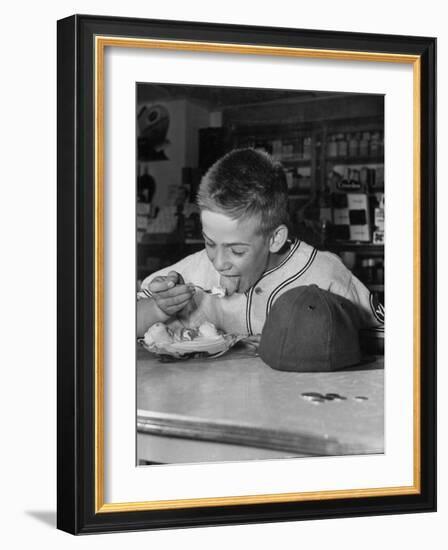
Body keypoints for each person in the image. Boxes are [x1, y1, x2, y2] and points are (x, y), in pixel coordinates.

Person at [137, 148, 384, 338]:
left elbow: (387, 340)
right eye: (210, 242)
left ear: (275, 238)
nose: (219, 263)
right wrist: (159, 309)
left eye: (236, 250)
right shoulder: (194, 272)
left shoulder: (325, 274)